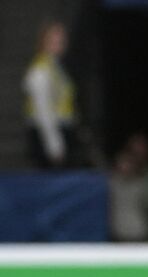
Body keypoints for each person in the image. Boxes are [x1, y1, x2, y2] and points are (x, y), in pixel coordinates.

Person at [23, 20, 79, 170]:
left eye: (62, 39)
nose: (60, 43)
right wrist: (54, 146)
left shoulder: (57, 67)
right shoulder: (40, 70)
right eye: (54, 40)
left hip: (62, 128)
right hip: (47, 135)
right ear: (43, 42)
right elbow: (43, 111)